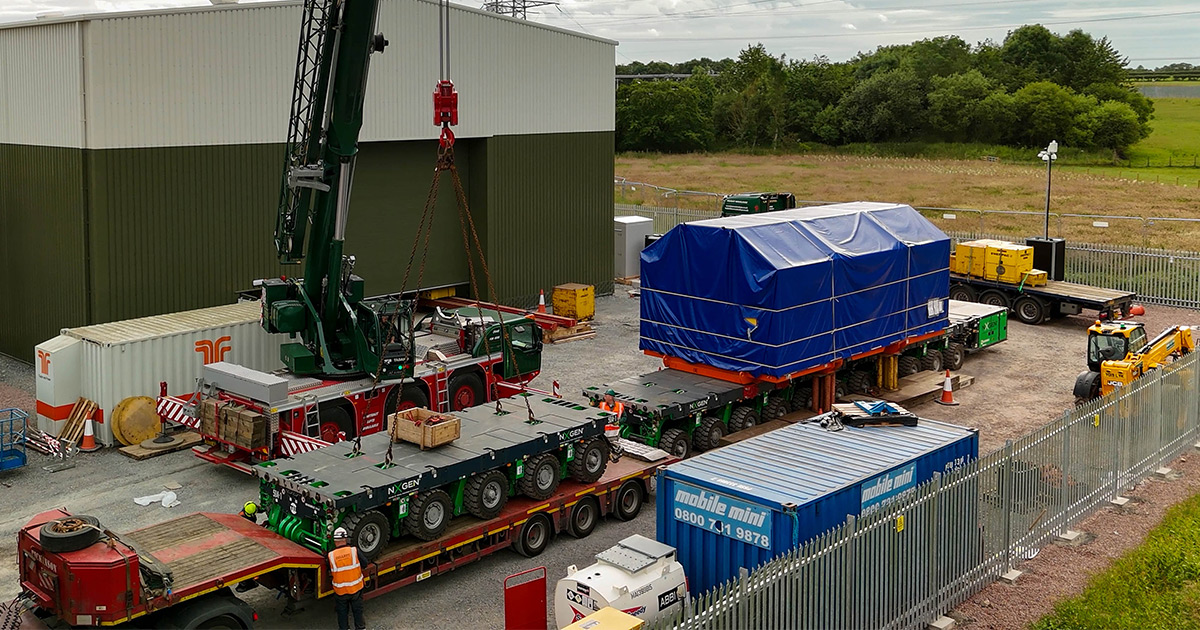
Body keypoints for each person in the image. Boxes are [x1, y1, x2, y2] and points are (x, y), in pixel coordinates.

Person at [328, 527, 366, 630]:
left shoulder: (331, 555)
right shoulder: (354, 551)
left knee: (342, 613)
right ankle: (360, 628)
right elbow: (365, 564)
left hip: (340, 592)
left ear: (335, 541)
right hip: (356, 589)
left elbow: (329, 570)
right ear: (345, 539)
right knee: (358, 611)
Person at [235, 502, 261, 593]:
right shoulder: (243, 520)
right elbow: (251, 531)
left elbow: (260, 509)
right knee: (247, 562)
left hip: (248, 535)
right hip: (244, 540)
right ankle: (244, 583)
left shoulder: (249, 507)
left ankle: (246, 582)